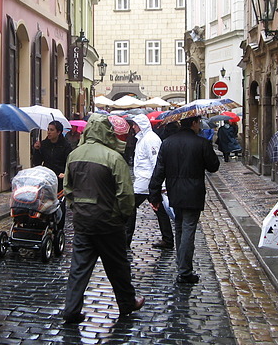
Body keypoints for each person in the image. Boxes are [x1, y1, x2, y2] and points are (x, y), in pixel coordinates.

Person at [61, 114, 144, 324]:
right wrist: (123, 215)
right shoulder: (113, 157)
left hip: (82, 221)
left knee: (79, 268)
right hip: (108, 222)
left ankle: (71, 309)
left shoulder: (74, 154)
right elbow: (125, 193)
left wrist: (77, 208)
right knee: (118, 265)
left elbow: (68, 188)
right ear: (106, 132)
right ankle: (127, 303)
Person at [149, 116, 220, 284]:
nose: (200, 126)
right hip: (193, 193)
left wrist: (154, 194)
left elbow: (159, 171)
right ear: (194, 123)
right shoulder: (201, 143)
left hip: (175, 192)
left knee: (180, 228)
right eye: (199, 123)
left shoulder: (167, 143)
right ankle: (185, 271)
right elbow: (213, 166)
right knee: (187, 229)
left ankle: (181, 265)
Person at [125, 114, 174, 250]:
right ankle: (168, 239)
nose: (133, 127)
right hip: (145, 181)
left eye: (135, 125)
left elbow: (156, 162)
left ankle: (126, 239)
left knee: (130, 206)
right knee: (160, 210)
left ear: (141, 125)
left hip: (146, 182)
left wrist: (158, 184)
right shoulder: (143, 139)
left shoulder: (150, 139)